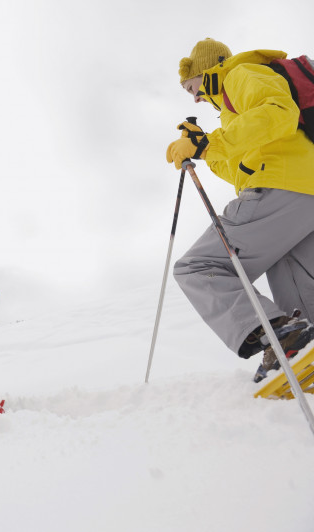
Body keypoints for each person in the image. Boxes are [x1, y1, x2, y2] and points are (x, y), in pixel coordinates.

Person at [165, 38, 314, 381]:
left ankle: (280, 337)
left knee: (197, 267)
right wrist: (204, 148)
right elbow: (239, 169)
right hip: (302, 193)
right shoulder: (235, 110)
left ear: (209, 71)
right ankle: (299, 350)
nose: (195, 98)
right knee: (293, 283)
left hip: (282, 184)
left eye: (193, 86)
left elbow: (280, 112)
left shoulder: (240, 73)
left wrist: (208, 143)